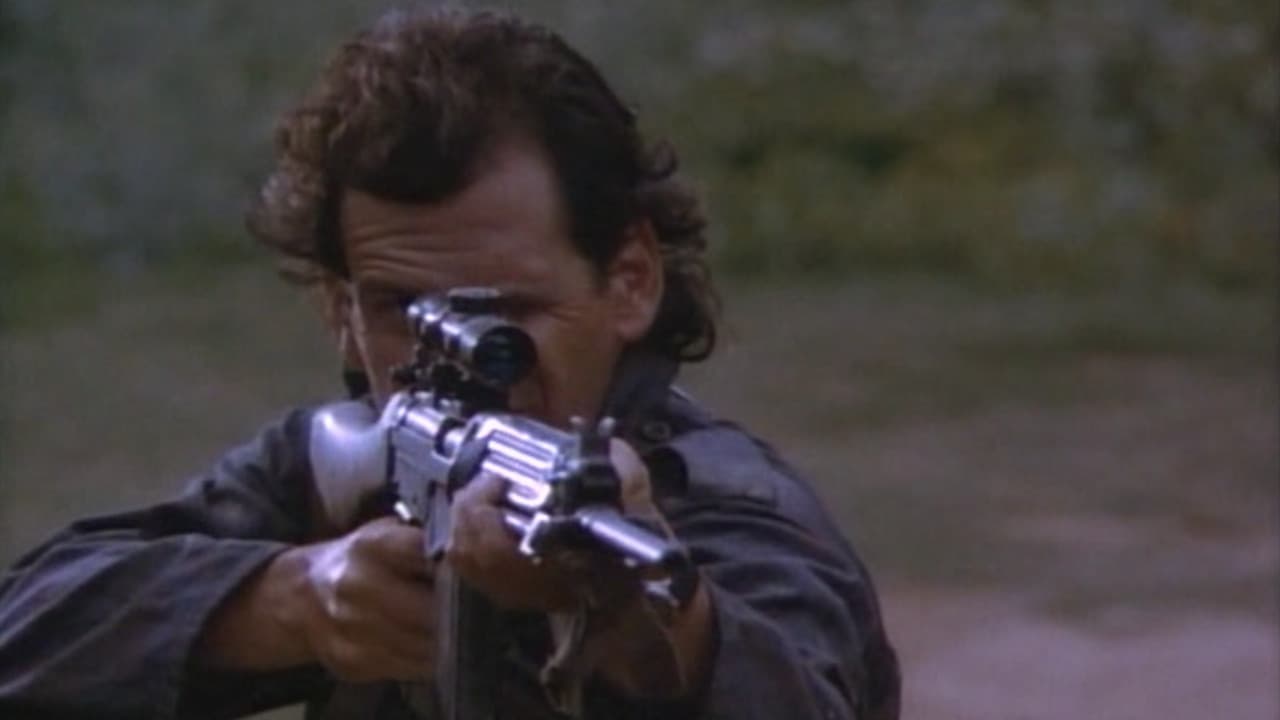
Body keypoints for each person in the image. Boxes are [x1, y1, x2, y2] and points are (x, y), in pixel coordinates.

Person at [0, 8, 899, 719]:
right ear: (339, 311)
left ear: (630, 280)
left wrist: (657, 628)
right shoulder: (344, 466)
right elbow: (29, 630)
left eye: (510, 314)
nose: (461, 363)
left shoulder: (728, 511)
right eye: (402, 311)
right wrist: (292, 605)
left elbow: (799, 686)